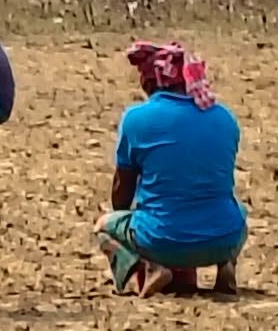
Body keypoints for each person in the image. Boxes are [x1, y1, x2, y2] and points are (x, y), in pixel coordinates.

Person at [96, 41, 247, 298]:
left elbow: (122, 191)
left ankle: (151, 269)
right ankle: (227, 265)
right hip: (224, 238)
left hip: (162, 241)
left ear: (150, 82)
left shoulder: (136, 119)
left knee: (103, 227)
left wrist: (134, 233)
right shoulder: (224, 118)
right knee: (238, 209)